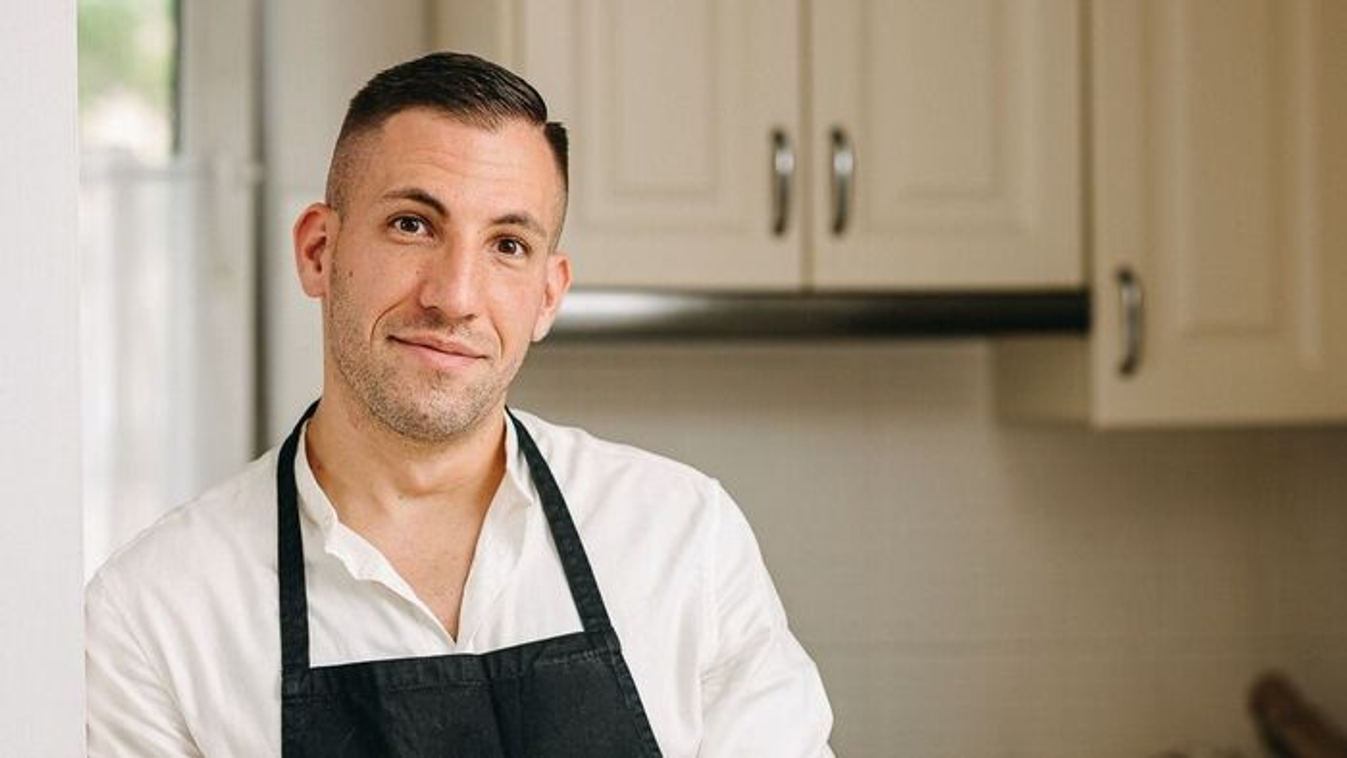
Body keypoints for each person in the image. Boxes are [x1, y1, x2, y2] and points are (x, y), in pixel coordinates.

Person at [85, 52, 833, 756]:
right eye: (412, 225)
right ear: (319, 251)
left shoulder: (682, 538)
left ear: (548, 295)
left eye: (507, 245)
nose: (454, 297)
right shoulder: (156, 612)